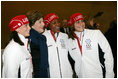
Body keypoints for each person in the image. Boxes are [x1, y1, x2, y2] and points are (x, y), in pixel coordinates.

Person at [67, 13, 114, 78]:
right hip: (81, 76)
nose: (81, 24)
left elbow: (108, 53)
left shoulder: (95, 33)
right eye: (77, 22)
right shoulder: (69, 41)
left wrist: (109, 75)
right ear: (72, 25)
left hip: (97, 75)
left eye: (82, 21)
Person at [43, 13, 73, 78]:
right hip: (52, 74)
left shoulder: (65, 36)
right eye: (54, 23)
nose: (58, 24)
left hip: (67, 73)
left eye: (58, 22)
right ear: (49, 25)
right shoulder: (43, 37)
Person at [26, 11, 49, 78]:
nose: (43, 24)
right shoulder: (29, 40)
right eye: (40, 22)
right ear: (32, 24)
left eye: (43, 21)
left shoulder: (42, 38)